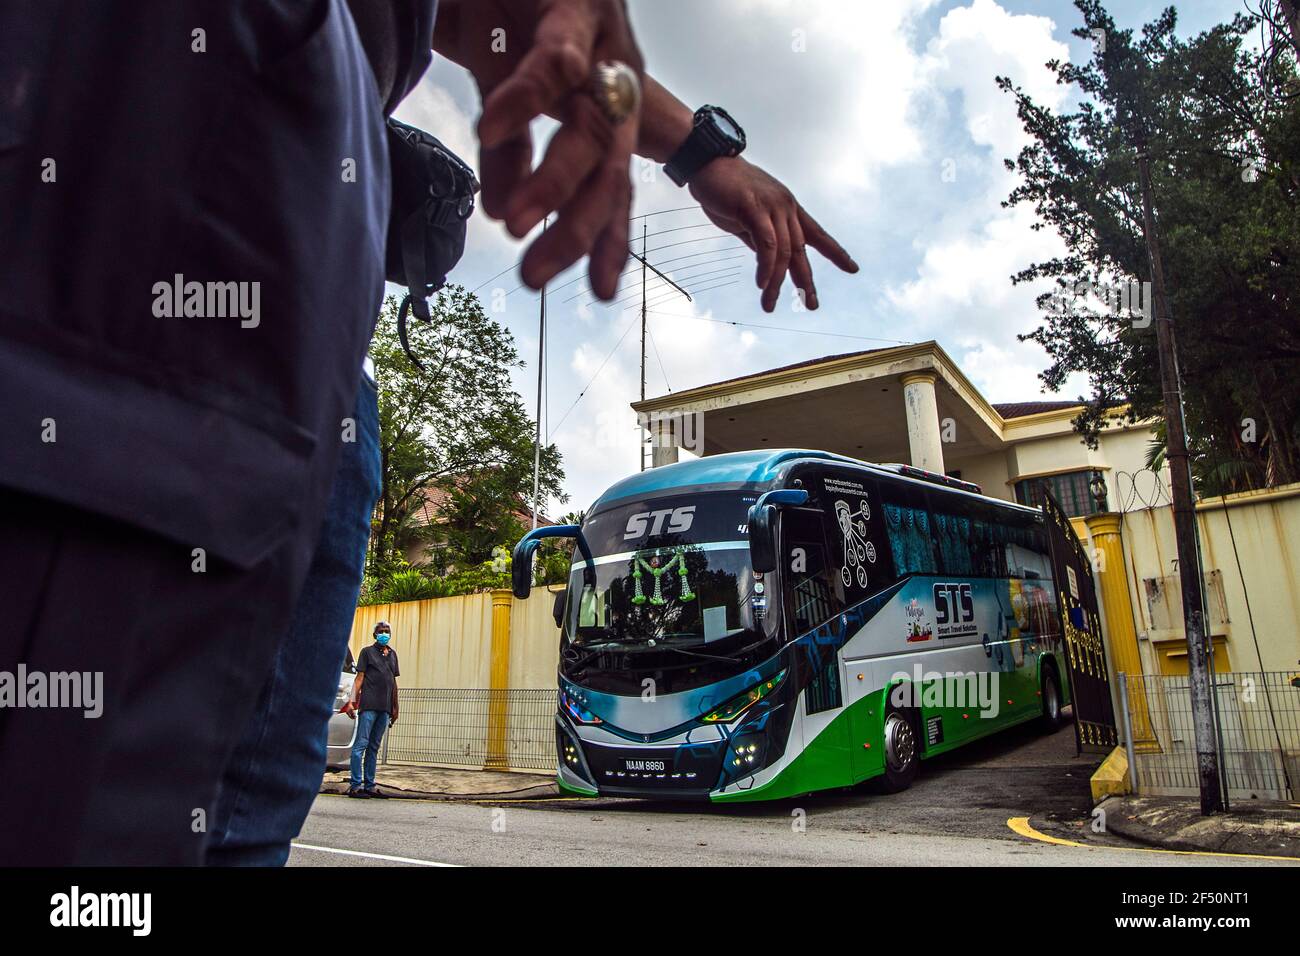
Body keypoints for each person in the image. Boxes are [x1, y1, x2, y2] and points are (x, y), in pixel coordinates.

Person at [348, 622, 400, 799]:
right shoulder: (367, 652)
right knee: (361, 745)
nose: (384, 634)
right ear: (375, 634)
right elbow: (359, 678)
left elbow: (393, 683)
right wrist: (351, 701)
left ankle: (370, 785)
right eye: (380, 632)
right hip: (369, 706)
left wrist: (395, 707)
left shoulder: (393, 655)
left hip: (384, 708)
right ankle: (355, 786)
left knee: (374, 747)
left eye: (386, 632)